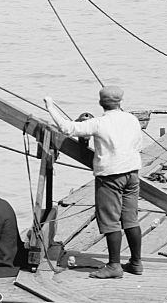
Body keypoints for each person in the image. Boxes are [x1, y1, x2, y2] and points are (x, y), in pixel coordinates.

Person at [44, 86, 144, 279]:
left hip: (111, 177)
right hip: (132, 174)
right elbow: (137, 144)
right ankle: (136, 263)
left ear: (101, 103)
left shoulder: (99, 124)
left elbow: (67, 128)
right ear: (120, 102)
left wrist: (50, 106)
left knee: (110, 221)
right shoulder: (132, 119)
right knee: (131, 219)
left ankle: (114, 266)